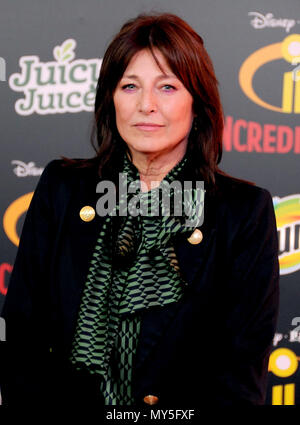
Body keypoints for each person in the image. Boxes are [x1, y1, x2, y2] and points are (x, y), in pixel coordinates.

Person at [0, 12, 279, 408]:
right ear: (110, 98)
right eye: (130, 86)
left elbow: (238, 376)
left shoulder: (242, 213)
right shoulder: (62, 188)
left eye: (167, 87)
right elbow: (22, 342)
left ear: (197, 104)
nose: (146, 105)